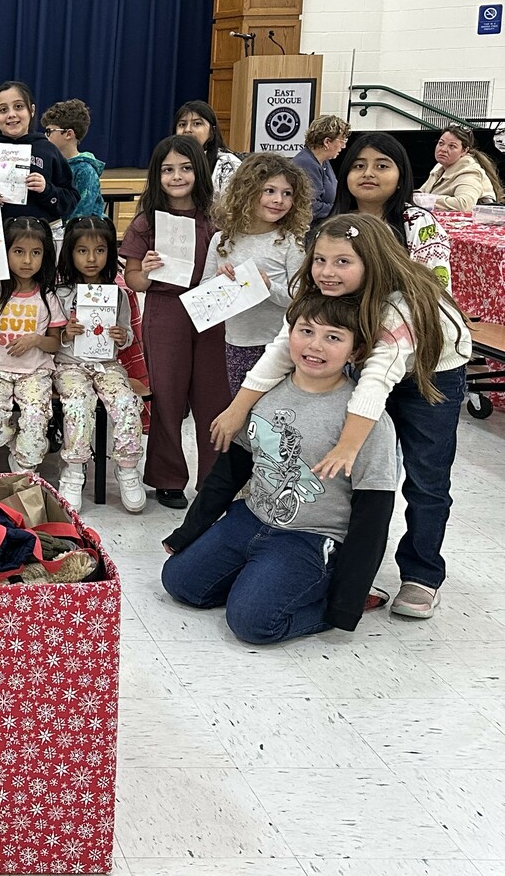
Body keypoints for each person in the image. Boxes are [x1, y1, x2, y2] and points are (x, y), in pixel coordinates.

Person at [213, 212, 471, 621]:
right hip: (373, 364)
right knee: (359, 478)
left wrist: (348, 446)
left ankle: (422, 575)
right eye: (320, 260)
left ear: (372, 263)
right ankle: (347, 566)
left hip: (429, 375)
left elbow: (376, 382)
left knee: (426, 477)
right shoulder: (325, 291)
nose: (327, 272)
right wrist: (237, 409)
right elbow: (282, 348)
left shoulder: (398, 308)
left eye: (342, 262)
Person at [163, 296, 397, 644]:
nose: (315, 345)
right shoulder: (263, 392)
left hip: (310, 537)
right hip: (251, 518)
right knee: (180, 583)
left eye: (333, 337)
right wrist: (187, 532)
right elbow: (229, 472)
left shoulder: (366, 420)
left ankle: (322, 591)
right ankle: (262, 579)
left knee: (252, 624)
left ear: (355, 351)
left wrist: (345, 604)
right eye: (306, 331)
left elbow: (374, 516)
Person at [122, 135, 230, 508]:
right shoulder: (146, 221)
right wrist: (148, 272)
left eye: (185, 168)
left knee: (213, 397)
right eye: (168, 170)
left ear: (199, 172)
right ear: (157, 176)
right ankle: (167, 477)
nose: (177, 176)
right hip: (166, 310)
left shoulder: (218, 217)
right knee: (166, 396)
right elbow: (134, 281)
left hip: (213, 311)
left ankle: (214, 480)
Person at [53, 215, 145, 512]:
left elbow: (127, 335)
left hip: (107, 364)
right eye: (82, 251)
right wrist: (66, 333)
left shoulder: (117, 293)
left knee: (125, 401)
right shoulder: (60, 292)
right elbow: (52, 336)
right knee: (77, 403)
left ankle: (128, 467)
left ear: (110, 253)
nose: (91, 259)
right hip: (69, 365)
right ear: (70, 252)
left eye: (100, 250)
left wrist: (122, 336)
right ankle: (74, 469)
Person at [0, 216, 65, 474]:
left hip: (35, 372)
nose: (27, 260)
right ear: (4, 252)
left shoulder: (47, 295)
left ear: (45, 255)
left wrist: (36, 340)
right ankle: (20, 448)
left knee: (35, 416)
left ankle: (26, 470)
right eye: (18, 252)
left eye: (36, 253)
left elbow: (55, 344)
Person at [203, 153, 313, 395]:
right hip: (237, 343)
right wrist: (220, 282)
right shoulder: (222, 240)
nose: (279, 200)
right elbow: (205, 294)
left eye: (287, 193)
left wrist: (268, 286)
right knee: (241, 411)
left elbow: (300, 298)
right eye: (270, 191)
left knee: (273, 417)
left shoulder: (289, 243)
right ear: (248, 191)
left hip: (279, 344)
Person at [332, 130, 451, 289]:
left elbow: (437, 291)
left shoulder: (419, 224)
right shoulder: (334, 224)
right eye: (359, 166)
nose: (368, 173)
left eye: (381, 166)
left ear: (400, 177)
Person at [0, 81, 78, 221]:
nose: (11, 114)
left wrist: (47, 190)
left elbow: (70, 199)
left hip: (37, 237)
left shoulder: (48, 150)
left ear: (32, 110)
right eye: (3, 110)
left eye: (19, 107)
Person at [41, 99, 105, 219]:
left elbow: (81, 213)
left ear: (68, 134)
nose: (45, 136)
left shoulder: (85, 171)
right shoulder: (51, 164)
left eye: (49, 131)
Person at [419, 122, 504, 212]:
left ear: (464, 151)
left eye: (452, 146)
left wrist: (427, 200)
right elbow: (422, 192)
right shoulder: (439, 167)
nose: (443, 149)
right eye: (441, 143)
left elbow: (465, 205)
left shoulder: (470, 172)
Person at [175, 99, 242, 200]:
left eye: (197, 124)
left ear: (212, 131)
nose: (187, 130)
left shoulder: (228, 164)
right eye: (182, 124)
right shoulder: (168, 161)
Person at [293, 113, 350, 222]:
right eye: (342, 141)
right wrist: (343, 210)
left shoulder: (324, 161)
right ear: (327, 142)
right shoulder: (305, 164)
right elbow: (311, 207)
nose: (344, 146)